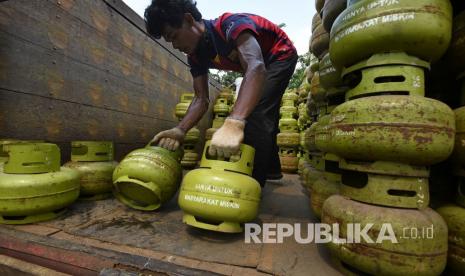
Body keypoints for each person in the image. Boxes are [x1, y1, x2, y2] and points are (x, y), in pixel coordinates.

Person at [145, 0, 297, 186]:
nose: (175, 45)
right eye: (169, 41)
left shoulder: (229, 25)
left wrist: (234, 122)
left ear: (188, 19)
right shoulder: (195, 56)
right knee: (258, 110)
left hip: (279, 55)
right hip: (256, 66)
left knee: (255, 113)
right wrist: (180, 130)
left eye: (174, 36)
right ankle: (272, 170)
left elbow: (255, 67)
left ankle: (251, 183)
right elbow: (201, 99)